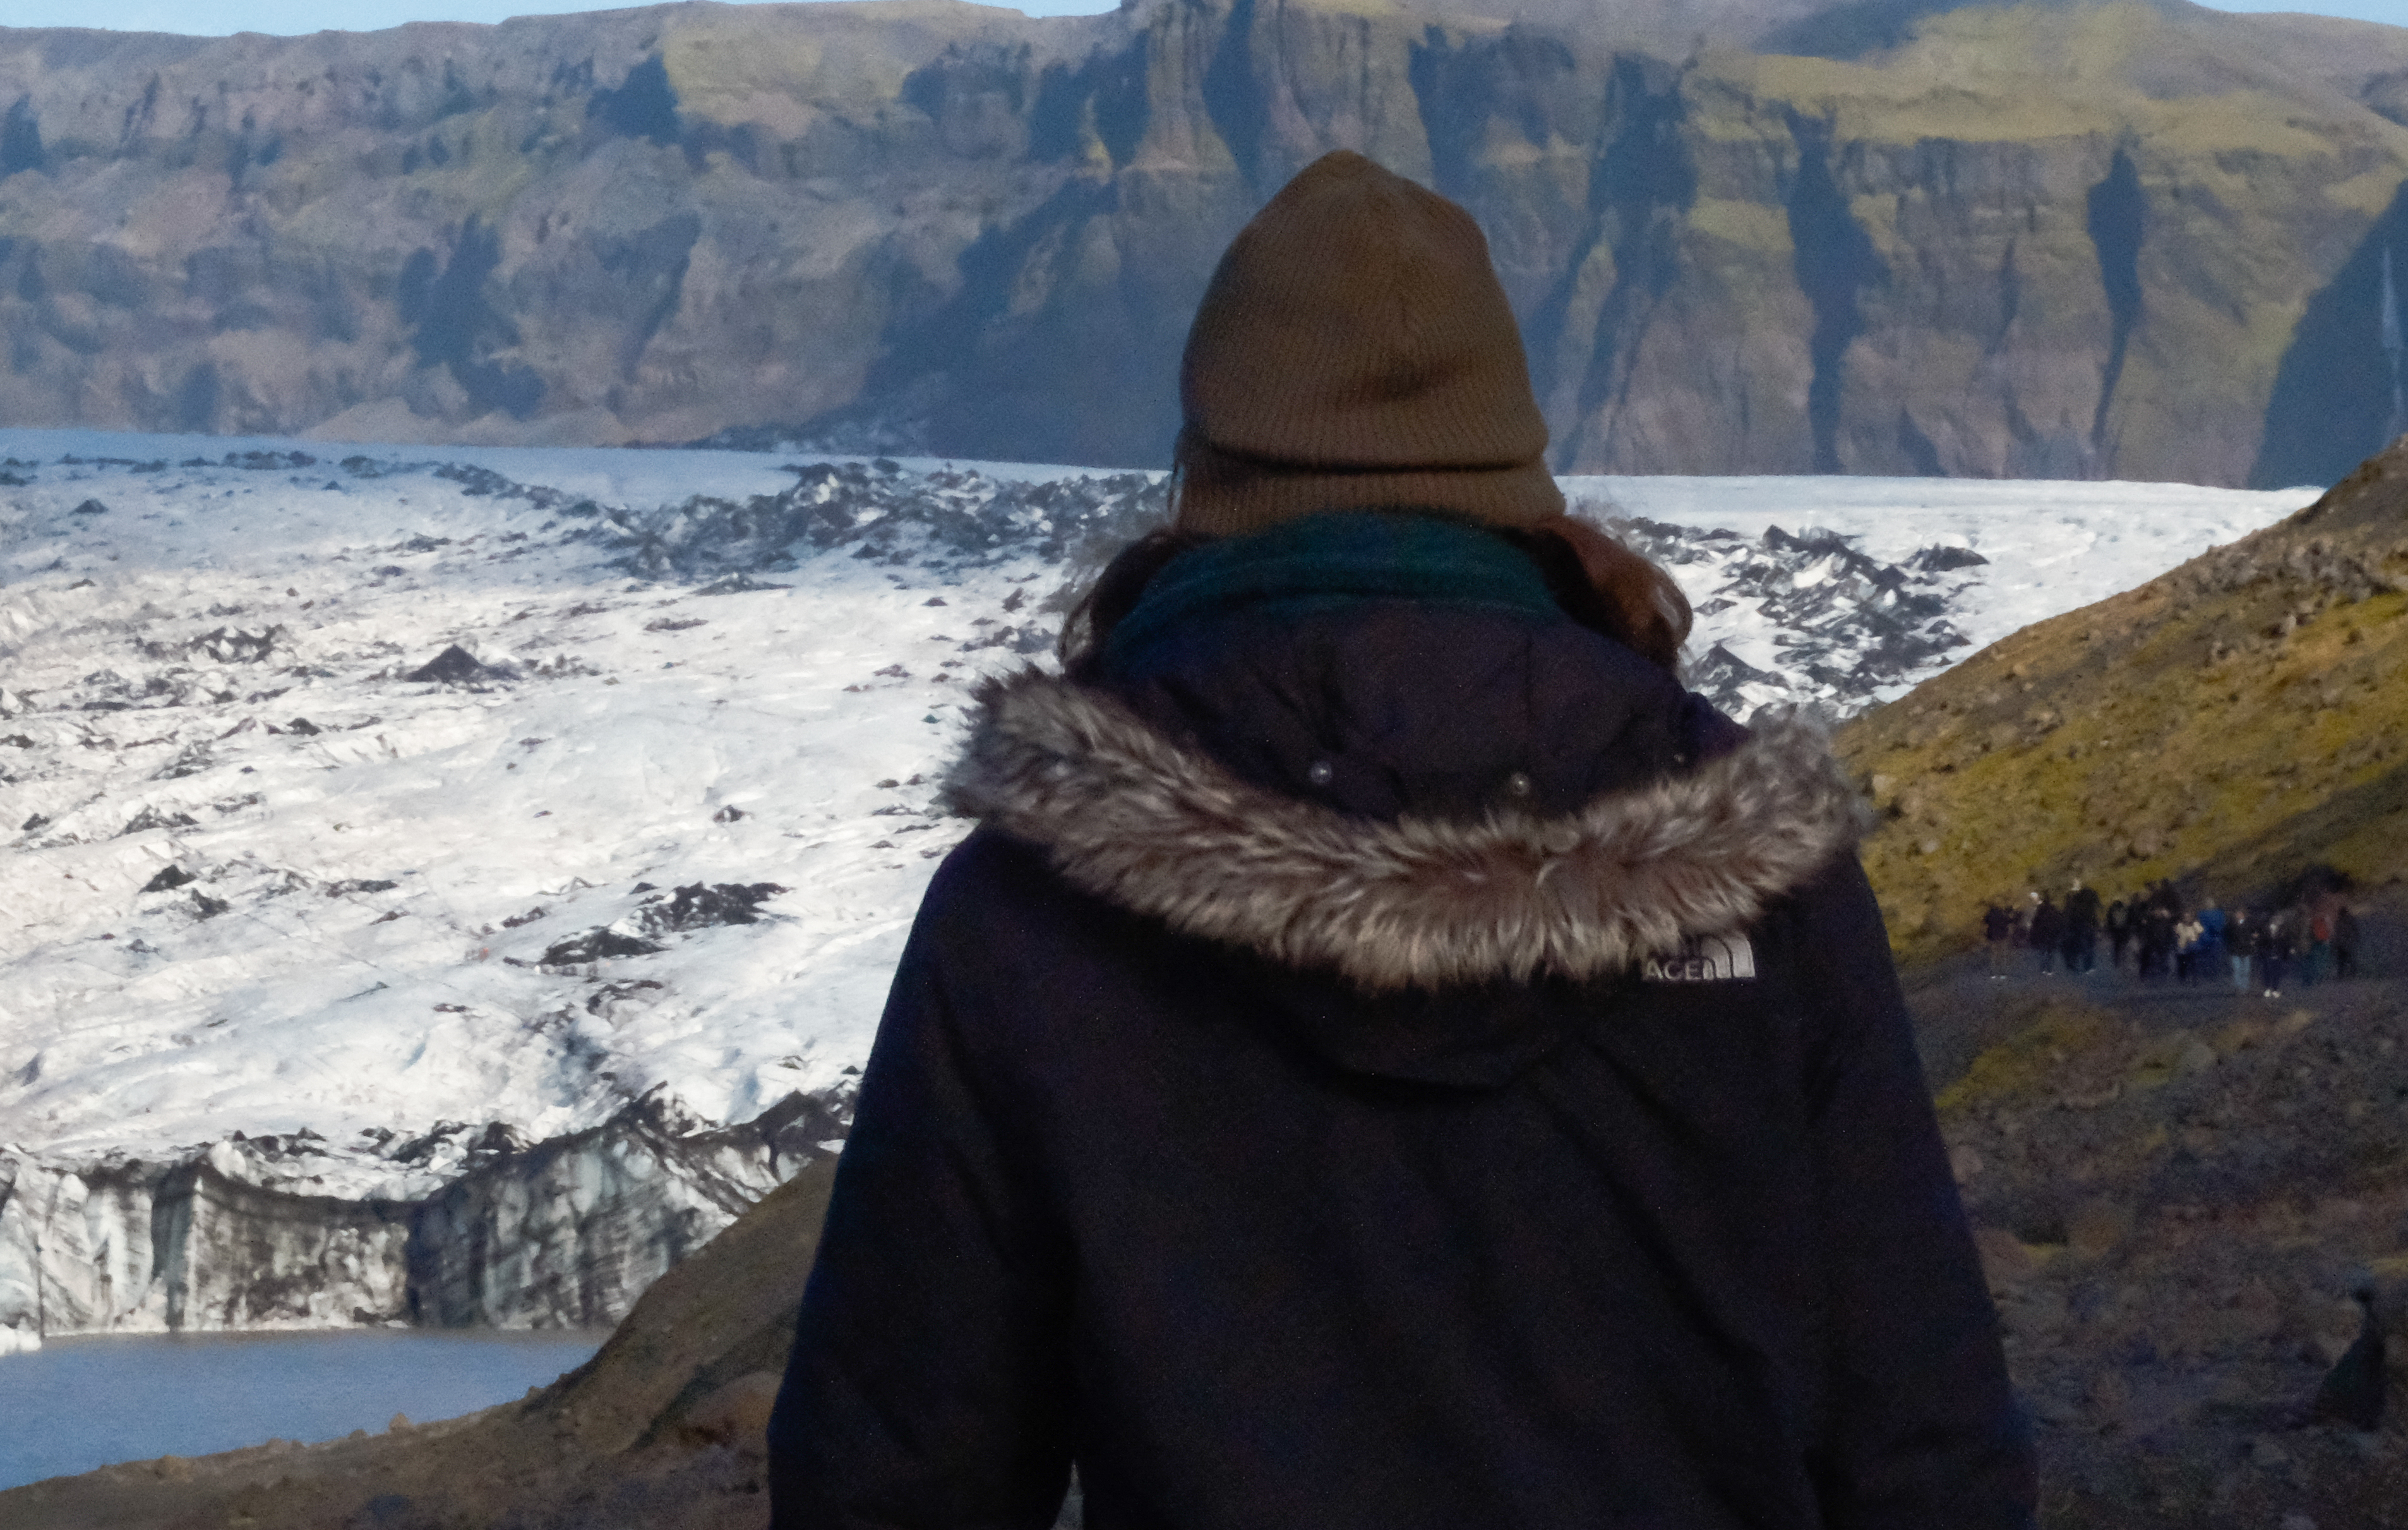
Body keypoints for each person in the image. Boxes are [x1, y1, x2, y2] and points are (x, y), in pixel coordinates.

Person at [771, 152, 2032, 1530]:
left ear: (1204, 472)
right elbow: (1919, 1427)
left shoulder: (1035, 897)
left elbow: (894, 1467)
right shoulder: (1744, 854)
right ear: (1512, 471)